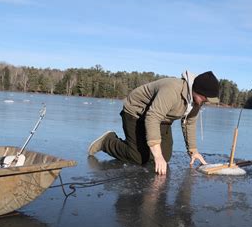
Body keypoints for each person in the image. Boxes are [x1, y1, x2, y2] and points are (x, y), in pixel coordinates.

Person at [88, 70, 220, 175]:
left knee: (165, 156)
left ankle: (151, 151)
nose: (206, 101)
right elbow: (153, 117)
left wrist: (193, 150)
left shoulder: (197, 101)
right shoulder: (172, 89)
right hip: (136, 113)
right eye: (206, 98)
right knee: (139, 157)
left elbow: (189, 122)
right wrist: (157, 156)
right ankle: (107, 141)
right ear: (198, 90)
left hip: (162, 119)